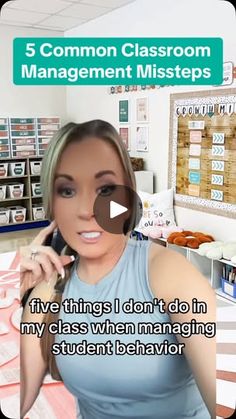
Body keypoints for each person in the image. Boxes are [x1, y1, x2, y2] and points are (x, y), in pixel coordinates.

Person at [20, 120, 216, 419]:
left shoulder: (169, 273)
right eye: (68, 190)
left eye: (106, 188)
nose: (86, 210)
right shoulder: (49, 287)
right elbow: (22, 402)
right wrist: (25, 295)